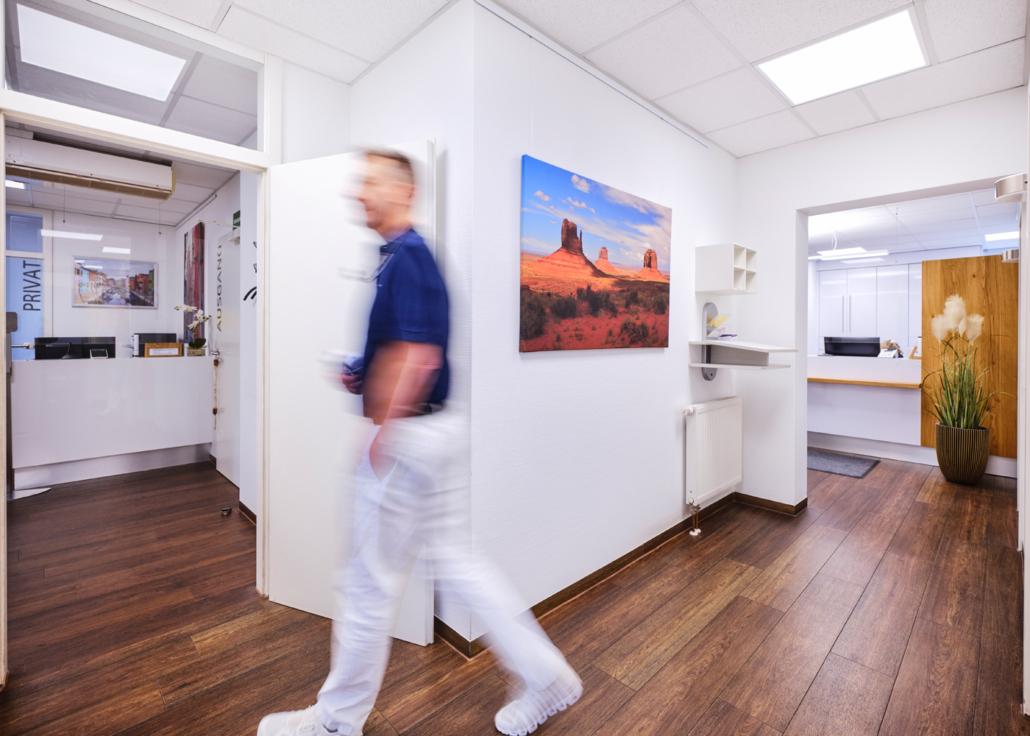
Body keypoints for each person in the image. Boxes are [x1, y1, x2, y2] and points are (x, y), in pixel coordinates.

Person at [258, 150, 581, 736]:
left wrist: (382, 431)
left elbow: (420, 355)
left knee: (366, 586)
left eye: (371, 182)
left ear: (404, 191)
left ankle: (334, 722)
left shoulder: (409, 255)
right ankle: (546, 676)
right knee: (458, 563)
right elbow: (406, 346)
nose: (359, 192)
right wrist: (362, 372)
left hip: (407, 437)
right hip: (430, 431)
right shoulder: (397, 258)